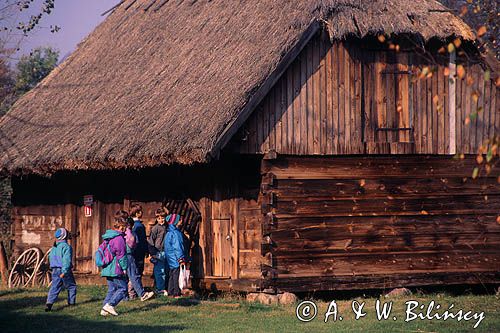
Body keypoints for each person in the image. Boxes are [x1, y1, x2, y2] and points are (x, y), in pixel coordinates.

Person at [117, 210, 154, 302]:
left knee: (123, 276)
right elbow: (133, 242)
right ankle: (141, 294)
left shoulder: (119, 231)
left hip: (120, 255)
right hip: (128, 255)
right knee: (134, 275)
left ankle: (124, 296)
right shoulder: (129, 232)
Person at [100, 217, 128, 316]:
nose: (125, 230)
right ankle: (110, 305)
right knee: (123, 288)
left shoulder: (109, 236)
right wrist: (124, 268)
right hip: (115, 268)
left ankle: (104, 309)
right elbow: (121, 255)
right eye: (124, 227)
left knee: (112, 289)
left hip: (107, 267)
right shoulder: (119, 239)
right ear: (121, 227)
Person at [45, 227, 77, 311]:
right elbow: (66, 260)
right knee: (71, 286)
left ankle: (49, 304)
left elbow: (50, 257)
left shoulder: (54, 247)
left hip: (54, 269)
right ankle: (71, 303)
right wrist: (65, 271)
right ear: (65, 236)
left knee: (54, 287)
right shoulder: (66, 247)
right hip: (63, 269)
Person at [164, 214, 185, 298]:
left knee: (172, 274)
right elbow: (177, 246)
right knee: (176, 275)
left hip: (170, 257)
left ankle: (170, 291)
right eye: (180, 220)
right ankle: (176, 292)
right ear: (175, 222)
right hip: (175, 257)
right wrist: (180, 258)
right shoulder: (175, 233)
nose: (181, 221)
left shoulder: (168, 233)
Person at [148, 208, 168, 294]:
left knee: (166, 270)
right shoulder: (155, 228)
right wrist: (153, 253)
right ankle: (160, 289)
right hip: (158, 252)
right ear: (156, 219)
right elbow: (151, 241)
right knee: (160, 271)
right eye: (159, 218)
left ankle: (163, 287)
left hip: (166, 251)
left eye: (163, 218)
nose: (161, 220)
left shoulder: (168, 227)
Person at [130, 204, 148, 279]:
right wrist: (146, 250)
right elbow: (142, 240)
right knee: (139, 269)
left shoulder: (130, 224)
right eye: (141, 211)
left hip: (131, 250)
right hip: (139, 250)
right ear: (137, 213)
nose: (142, 213)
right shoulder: (140, 226)